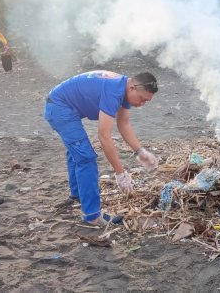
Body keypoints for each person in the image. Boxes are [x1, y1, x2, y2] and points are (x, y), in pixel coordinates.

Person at [44, 71, 159, 226]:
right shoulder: (113, 91)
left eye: (146, 102)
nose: (142, 104)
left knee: (77, 152)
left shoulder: (124, 88)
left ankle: (77, 195)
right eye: (142, 99)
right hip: (59, 107)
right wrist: (120, 173)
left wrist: (141, 152)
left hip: (63, 104)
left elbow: (123, 124)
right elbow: (104, 136)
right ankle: (92, 215)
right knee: (86, 157)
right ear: (132, 88)